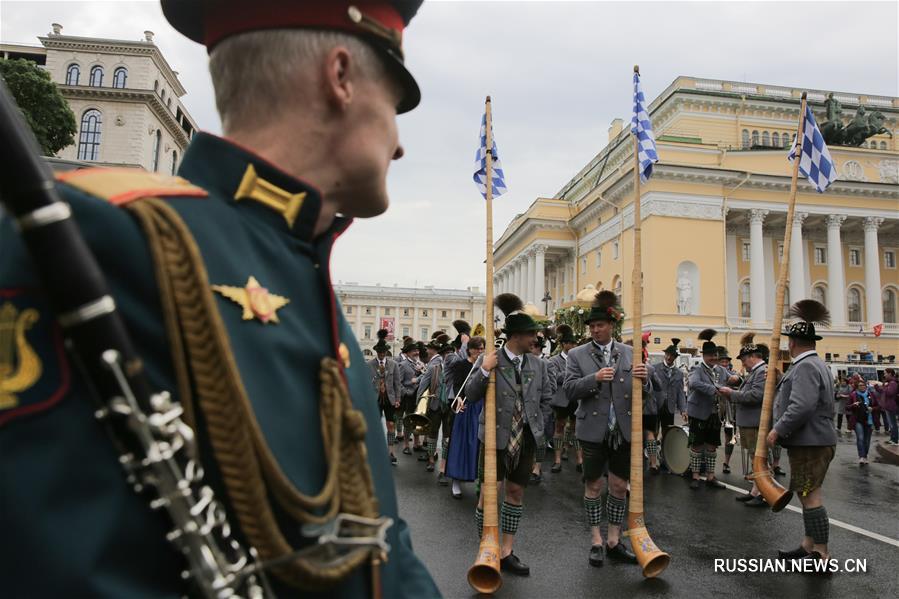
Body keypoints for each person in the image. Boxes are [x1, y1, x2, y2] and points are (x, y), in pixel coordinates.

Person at [0, 1, 439, 597]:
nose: (400, 145)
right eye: (395, 103)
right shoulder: (94, 237)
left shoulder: (304, 268)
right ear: (341, 77)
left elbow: (380, 546)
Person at [466, 293, 553, 577]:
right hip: (495, 437)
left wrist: (537, 424)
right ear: (516, 335)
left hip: (525, 438)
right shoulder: (491, 359)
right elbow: (471, 394)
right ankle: (487, 547)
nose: (536, 340)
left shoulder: (538, 364)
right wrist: (484, 371)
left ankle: (506, 551)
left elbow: (546, 398)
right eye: (532, 334)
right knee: (489, 495)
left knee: (515, 492)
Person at [563, 290, 650, 568]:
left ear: (611, 326)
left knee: (619, 485)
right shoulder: (577, 354)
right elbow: (568, 389)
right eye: (592, 327)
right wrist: (594, 378)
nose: (596, 330)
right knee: (593, 485)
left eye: (600, 325)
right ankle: (596, 540)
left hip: (623, 430)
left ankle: (614, 540)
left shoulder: (629, 352)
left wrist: (644, 381)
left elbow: (644, 394)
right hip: (592, 430)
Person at [769, 300, 838, 565]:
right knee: (806, 492)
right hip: (814, 440)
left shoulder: (805, 366)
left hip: (811, 442)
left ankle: (820, 553)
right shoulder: (816, 363)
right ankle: (808, 545)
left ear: (793, 343)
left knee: (811, 495)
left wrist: (778, 430)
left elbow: (802, 406)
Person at [718, 333, 768, 507]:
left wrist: (732, 394)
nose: (743, 363)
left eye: (744, 359)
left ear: (754, 357)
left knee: (759, 459)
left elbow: (756, 396)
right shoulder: (757, 372)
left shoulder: (762, 372)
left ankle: (763, 493)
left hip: (755, 423)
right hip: (750, 422)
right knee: (755, 458)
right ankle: (756, 490)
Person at [686, 329, 727, 489]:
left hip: (714, 413)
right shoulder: (697, 368)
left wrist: (736, 379)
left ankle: (711, 476)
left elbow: (731, 377)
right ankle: (695, 476)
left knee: (712, 445)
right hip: (697, 413)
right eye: (710, 355)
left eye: (715, 355)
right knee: (696, 444)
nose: (714, 358)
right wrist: (715, 389)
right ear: (704, 356)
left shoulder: (720, 369)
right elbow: (694, 383)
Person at [445, 335, 486, 498]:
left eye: (483, 349)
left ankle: (479, 481)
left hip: (481, 407)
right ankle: (456, 482)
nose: (480, 352)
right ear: (470, 349)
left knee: (479, 445)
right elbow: (457, 384)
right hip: (466, 407)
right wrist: (459, 398)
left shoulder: (486, 365)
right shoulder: (461, 365)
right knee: (461, 443)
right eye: (478, 349)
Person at [548, 324, 582, 473]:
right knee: (559, 427)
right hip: (561, 399)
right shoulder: (554, 360)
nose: (573, 345)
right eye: (570, 343)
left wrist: (569, 375)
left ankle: (580, 460)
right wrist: (572, 373)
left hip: (576, 398)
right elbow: (555, 377)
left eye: (575, 343)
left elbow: (583, 376)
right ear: (563, 345)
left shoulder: (579, 359)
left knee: (576, 429)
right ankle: (557, 460)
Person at [649, 338, 687, 472]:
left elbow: (680, 393)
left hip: (669, 408)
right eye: (668, 354)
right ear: (665, 354)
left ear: (675, 357)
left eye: (673, 356)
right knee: (652, 434)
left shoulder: (679, 373)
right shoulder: (654, 368)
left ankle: (664, 459)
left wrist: (683, 409)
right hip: (655, 406)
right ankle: (652, 461)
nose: (670, 357)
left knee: (666, 434)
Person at [417, 333, 451, 476]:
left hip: (449, 406)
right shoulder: (434, 368)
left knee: (447, 437)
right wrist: (419, 405)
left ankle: (444, 465)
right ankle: (431, 460)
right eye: (447, 354)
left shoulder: (455, 368)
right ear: (442, 355)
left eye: (451, 353)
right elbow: (423, 386)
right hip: (435, 405)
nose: (449, 356)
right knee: (432, 434)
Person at [368, 329, 403, 465]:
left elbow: (397, 384)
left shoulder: (393, 364)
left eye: (384, 353)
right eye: (380, 353)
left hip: (390, 399)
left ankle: (391, 452)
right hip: (375, 399)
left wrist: (398, 399)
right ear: (377, 352)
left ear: (386, 352)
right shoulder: (369, 365)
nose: (382, 355)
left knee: (391, 425)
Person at [717, 346, 740, 474]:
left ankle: (726, 463)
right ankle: (707, 463)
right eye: (722, 362)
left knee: (729, 438)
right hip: (716, 410)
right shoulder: (714, 374)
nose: (725, 364)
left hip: (730, 412)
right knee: (712, 438)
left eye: (727, 362)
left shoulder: (733, 374)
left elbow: (740, 385)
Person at [396, 337, 422, 455]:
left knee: (417, 421)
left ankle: (417, 443)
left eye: (417, 350)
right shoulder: (402, 365)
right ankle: (406, 445)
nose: (417, 352)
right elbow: (398, 383)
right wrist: (406, 392)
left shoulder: (420, 363)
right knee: (408, 421)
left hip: (418, 397)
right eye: (414, 351)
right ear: (407, 353)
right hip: (408, 398)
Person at [846, 379, 879, 465]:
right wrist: (853, 405)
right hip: (858, 420)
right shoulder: (853, 394)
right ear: (857, 387)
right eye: (860, 385)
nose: (862, 387)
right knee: (860, 438)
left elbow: (878, 406)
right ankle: (861, 456)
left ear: (866, 386)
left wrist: (873, 408)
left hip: (869, 420)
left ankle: (865, 456)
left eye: (863, 385)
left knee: (867, 440)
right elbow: (847, 407)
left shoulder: (871, 394)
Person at [881, 369, 898, 445]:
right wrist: (876, 386)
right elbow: (883, 392)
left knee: (892, 424)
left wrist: (884, 387)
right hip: (888, 406)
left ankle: (895, 440)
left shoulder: (893, 383)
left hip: (891, 406)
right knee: (891, 424)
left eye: (885, 373)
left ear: (890, 374)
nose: (884, 375)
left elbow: (890, 393)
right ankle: (892, 439)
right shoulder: (890, 383)